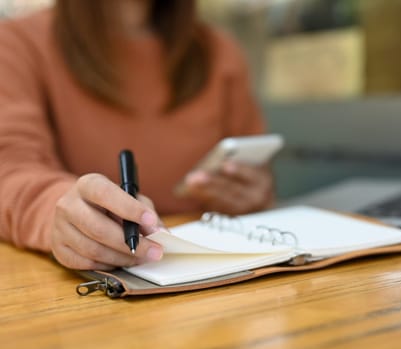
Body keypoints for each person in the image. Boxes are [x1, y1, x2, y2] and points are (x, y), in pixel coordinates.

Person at [0, 0, 275, 271]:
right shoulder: (16, 44)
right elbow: (9, 170)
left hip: (219, 271)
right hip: (90, 285)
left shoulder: (220, 51)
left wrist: (251, 195)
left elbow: (259, 181)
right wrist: (54, 213)